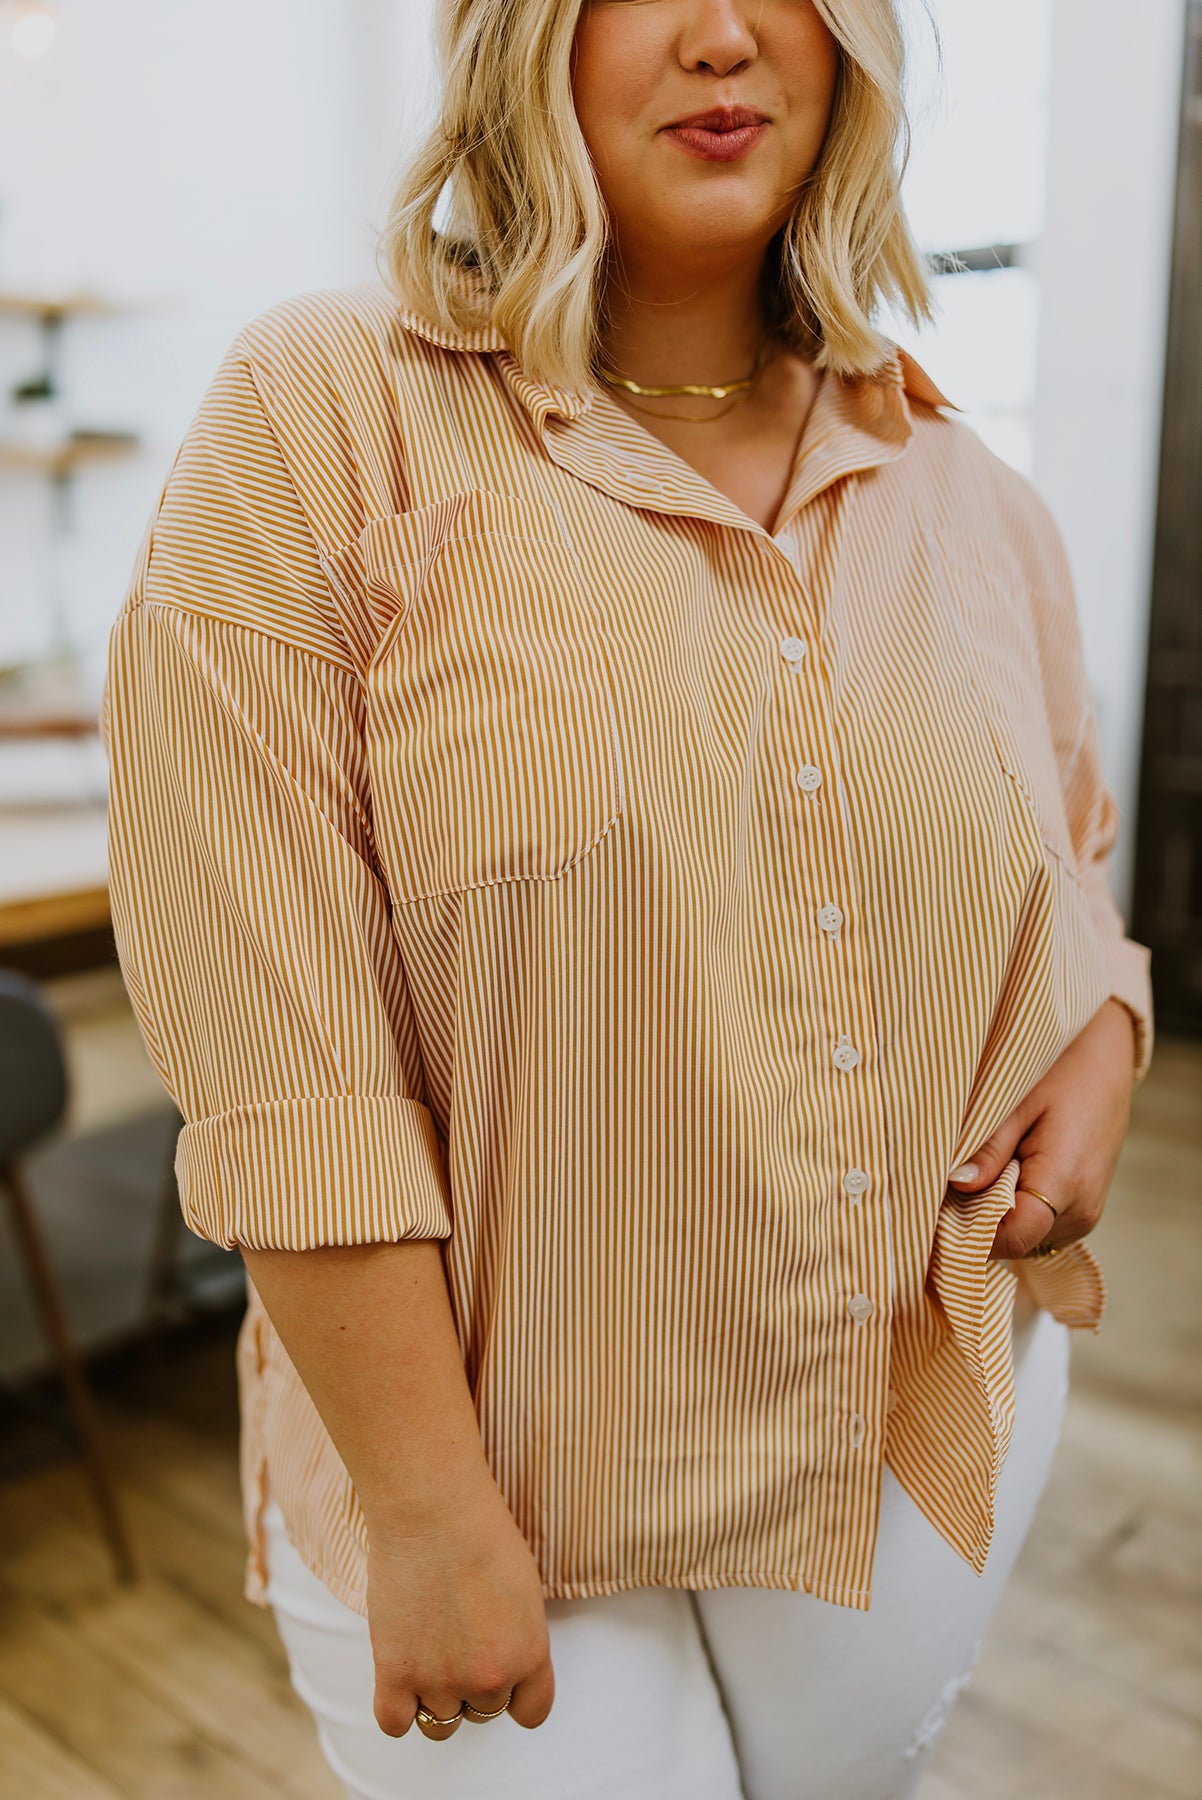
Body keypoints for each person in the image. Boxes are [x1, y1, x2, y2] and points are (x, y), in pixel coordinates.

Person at [100, 0, 1153, 1795]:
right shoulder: (323, 416)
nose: (727, 35)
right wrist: (426, 1502)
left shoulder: (976, 496)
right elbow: (283, 1045)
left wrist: (1111, 1027)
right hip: (487, 1460)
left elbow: (1062, 857)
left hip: (888, 1404)